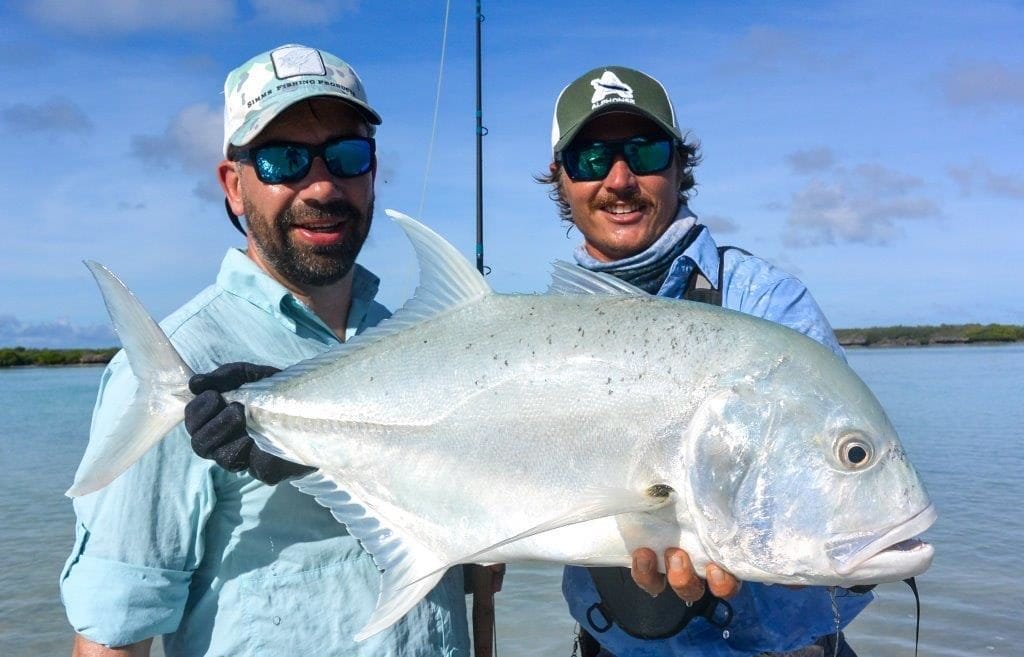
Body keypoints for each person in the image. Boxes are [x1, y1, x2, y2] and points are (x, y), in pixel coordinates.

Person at [60, 44, 472, 657]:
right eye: (284, 161)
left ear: (374, 171)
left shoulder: (420, 344)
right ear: (234, 186)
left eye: (347, 155)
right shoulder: (188, 361)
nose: (323, 185)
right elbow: (116, 634)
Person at [541, 66, 874, 656]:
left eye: (644, 152)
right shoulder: (539, 337)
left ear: (678, 166)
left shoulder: (768, 306)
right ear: (562, 181)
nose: (619, 180)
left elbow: (837, 499)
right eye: (591, 160)